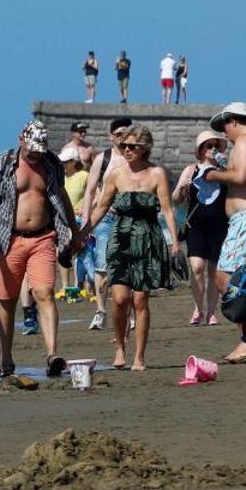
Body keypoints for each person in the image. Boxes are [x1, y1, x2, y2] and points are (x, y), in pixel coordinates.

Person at [0, 120, 80, 376]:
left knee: (45, 292)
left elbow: (61, 196)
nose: (36, 153)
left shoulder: (51, 163)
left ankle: (52, 354)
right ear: (21, 139)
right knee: (6, 301)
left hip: (43, 237)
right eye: (32, 148)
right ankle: (7, 360)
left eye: (40, 149)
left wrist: (75, 232)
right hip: (8, 238)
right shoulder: (3, 162)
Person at [80, 126, 179, 370]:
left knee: (140, 300)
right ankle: (120, 347)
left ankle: (139, 356)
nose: (127, 150)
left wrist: (175, 241)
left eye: (132, 146)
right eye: (124, 146)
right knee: (120, 298)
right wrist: (82, 234)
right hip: (121, 238)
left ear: (145, 148)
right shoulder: (115, 173)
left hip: (148, 238)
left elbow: (167, 209)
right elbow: (102, 206)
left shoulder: (157, 174)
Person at [203, 102, 246, 362]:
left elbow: (240, 177)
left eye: (224, 128)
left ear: (233, 121)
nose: (224, 135)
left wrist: (210, 175)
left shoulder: (243, 140)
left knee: (226, 278)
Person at [82, 117, 134, 330]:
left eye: (127, 133)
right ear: (111, 136)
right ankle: (100, 310)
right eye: (119, 134)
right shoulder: (103, 159)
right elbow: (90, 191)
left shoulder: (134, 157)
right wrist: (86, 223)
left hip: (128, 219)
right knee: (102, 267)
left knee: (128, 267)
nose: (123, 138)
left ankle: (129, 313)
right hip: (104, 219)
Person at [175, 131, 229, 326]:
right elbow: (175, 200)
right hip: (196, 225)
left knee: (214, 271)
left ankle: (211, 312)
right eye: (208, 146)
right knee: (197, 267)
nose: (212, 149)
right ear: (200, 150)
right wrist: (181, 189)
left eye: (215, 145)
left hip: (220, 225)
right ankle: (198, 308)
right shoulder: (191, 170)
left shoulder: (225, 171)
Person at [59, 148, 90, 289]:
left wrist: (85, 209)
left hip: (79, 219)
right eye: (62, 162)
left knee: (82, 252)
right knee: (62, 251)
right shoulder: (61, 178)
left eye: (66, 162)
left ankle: (81, 285)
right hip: (63, 220)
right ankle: (65, 286)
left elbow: (94, 195)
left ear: (74, 162)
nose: (63, 165)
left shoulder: (84, 175)